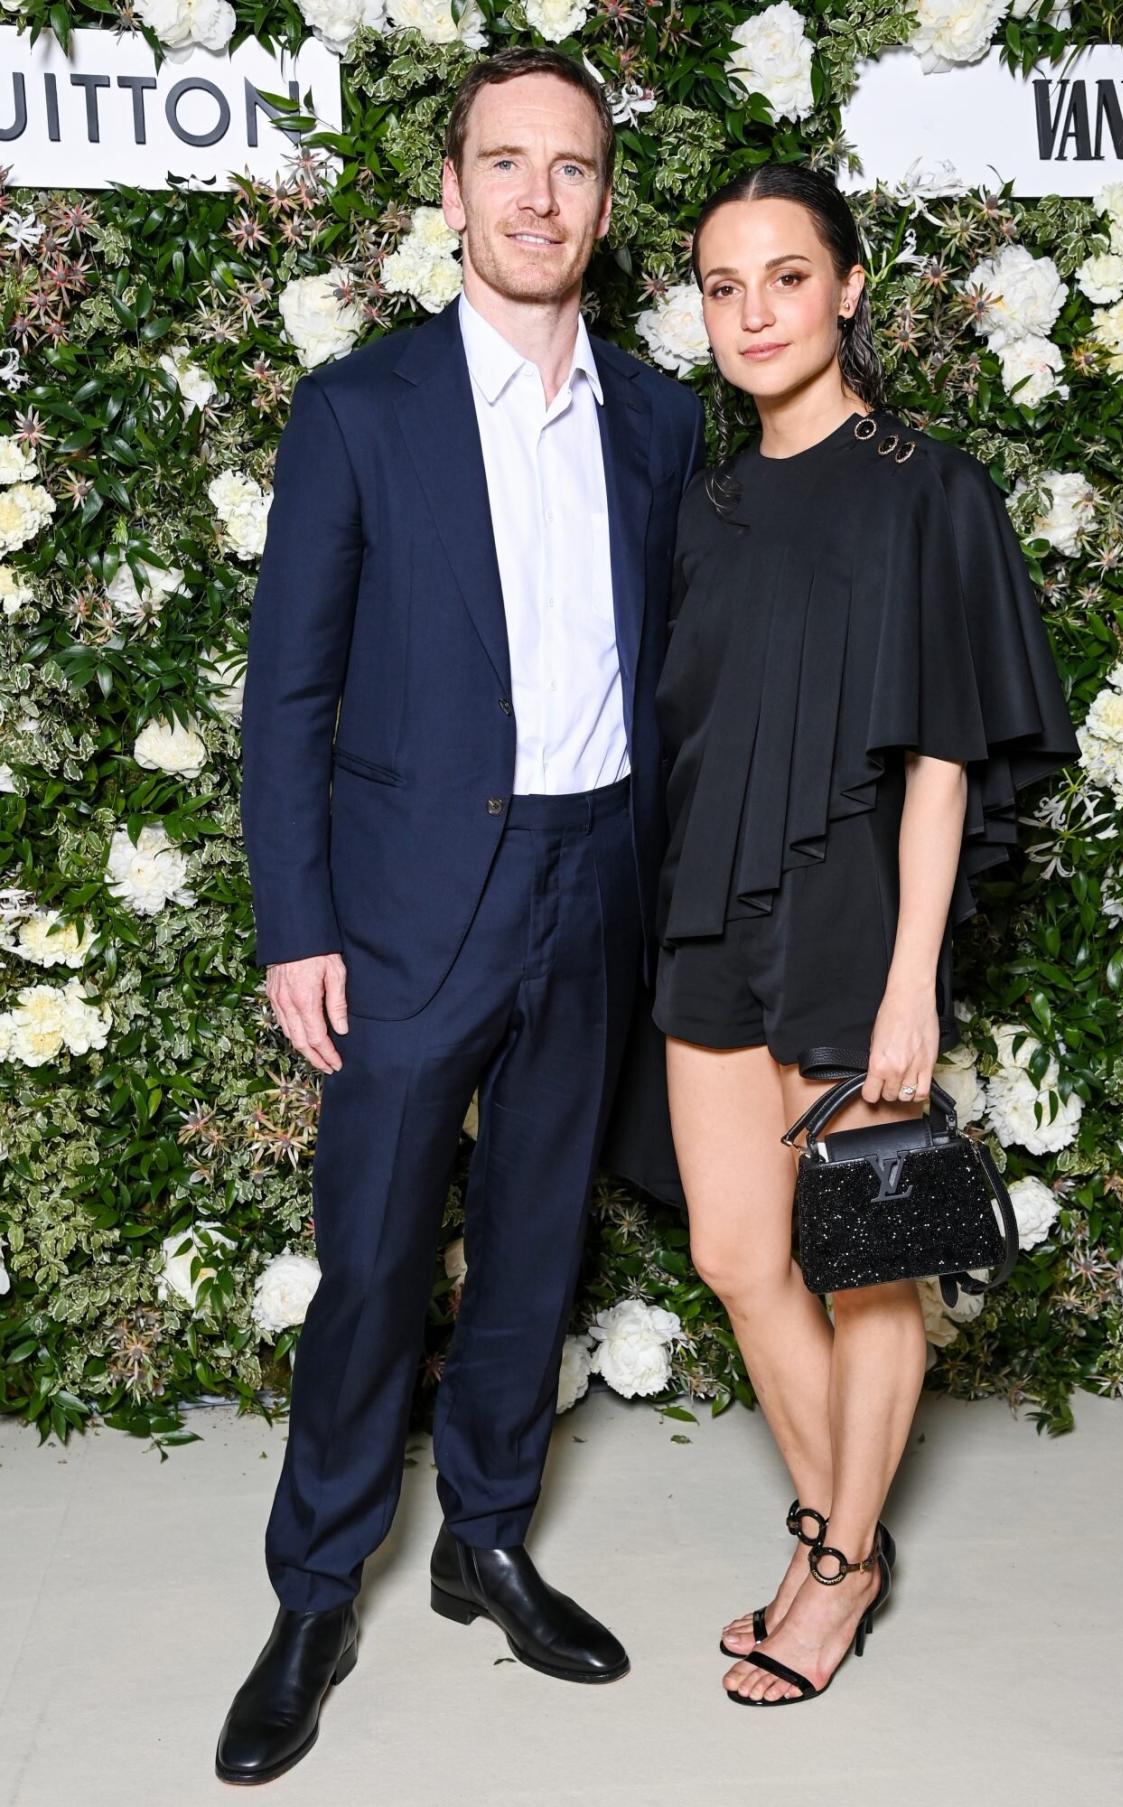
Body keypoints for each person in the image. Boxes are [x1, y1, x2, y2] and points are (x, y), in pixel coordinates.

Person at [217, 46, 703, 1784]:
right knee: (370, 1266)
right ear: (451, 191)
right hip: (416, 903)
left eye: (568, 167)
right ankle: (315, 1588)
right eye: (504, 162)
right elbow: (287, 698)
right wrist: (299, 924)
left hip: (595, 883)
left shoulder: (655, 414)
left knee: (532, 1251)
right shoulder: (360, 408)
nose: (536, 196)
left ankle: (486, 1541)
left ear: (599, 198)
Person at [651, 163, 1079, 1707]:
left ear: (846, 288)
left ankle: (828, 1574)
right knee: (734, 1249)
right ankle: (847, 1537)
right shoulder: (697, 505)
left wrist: (914, 981)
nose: (753, 311)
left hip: (854, 915)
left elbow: (945, 753)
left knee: (867, 1266)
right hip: (706, 904)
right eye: (720, 285)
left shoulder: (925, 485)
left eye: (783, 275)